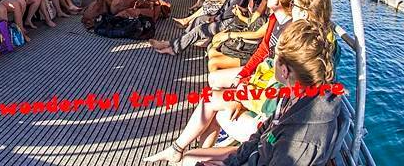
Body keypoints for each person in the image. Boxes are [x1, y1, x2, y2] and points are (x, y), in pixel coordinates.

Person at [143, 20, 340, 166]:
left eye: (276, 58)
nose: (272, 62)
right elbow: (263, 133)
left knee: (191, 161)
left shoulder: (301, 139)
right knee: (190, 158)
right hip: (261, 151)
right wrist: (232, 162)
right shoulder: (295, 95)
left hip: (264, 156)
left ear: (285, 71)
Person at [206, 0, 287, 72]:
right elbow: (252, 20)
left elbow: (258, 34)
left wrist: (229, 35)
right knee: (212, 50)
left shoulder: (277, 14)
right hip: (252, 40)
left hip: (252, 48)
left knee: (213, 60)